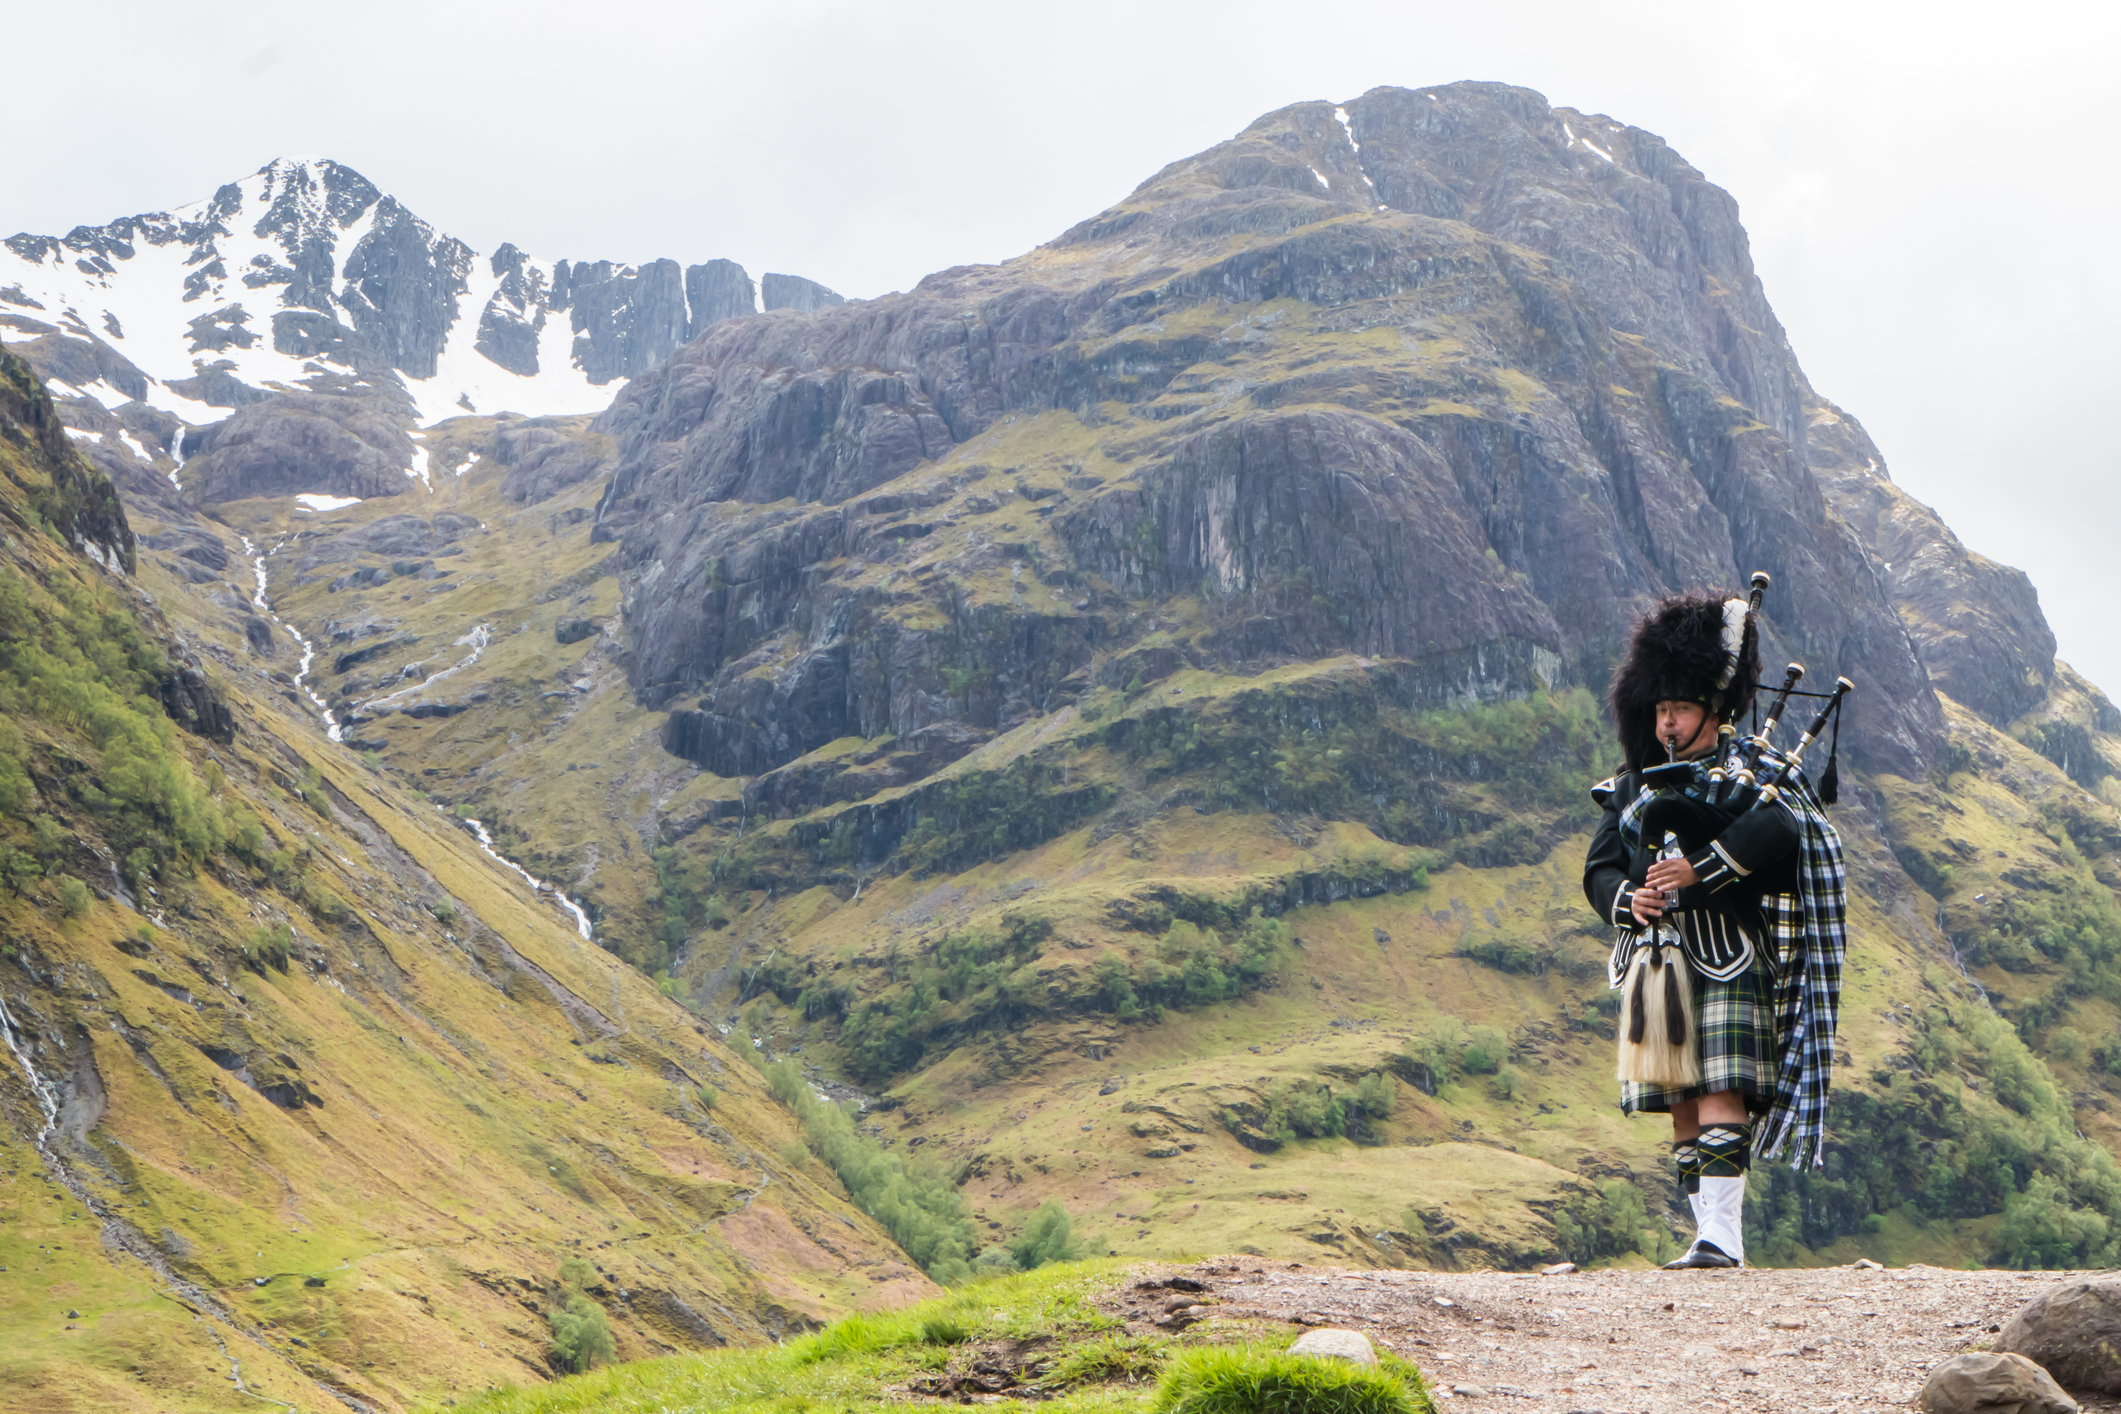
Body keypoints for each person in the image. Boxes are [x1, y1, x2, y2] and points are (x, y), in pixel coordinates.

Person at [1582, 590, 1838, 1269]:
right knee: (1679, 1102)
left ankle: (1723, 1239)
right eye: (1660, 709)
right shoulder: (1630, 784)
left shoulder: (1749, 771)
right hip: (1651, 959)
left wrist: (1698, 872)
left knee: (1720, 1086)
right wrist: (1627, 900)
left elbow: (1778, 827)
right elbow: (1599, 867)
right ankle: (1705, 1235)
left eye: (1680, 708)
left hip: (1726, 950)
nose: (1667, 722)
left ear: (1714, 711)